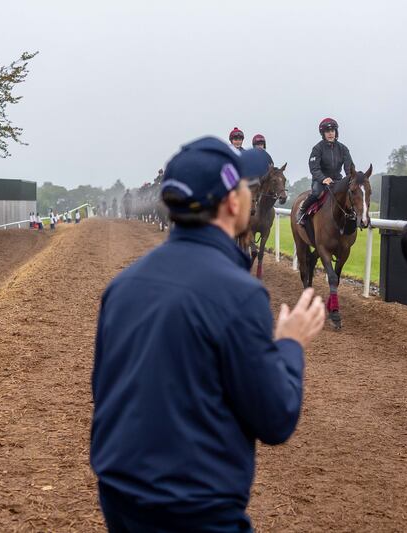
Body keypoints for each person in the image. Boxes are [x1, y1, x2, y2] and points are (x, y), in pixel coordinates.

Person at [90, 136, 326, 532]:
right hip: (197, 513)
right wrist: (289, 343)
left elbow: (107, 394)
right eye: (246, 188)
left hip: (120, 502)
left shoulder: (122, 287)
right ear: (233, 203)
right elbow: (275, 419)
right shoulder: (241, 293)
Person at [297, 117, 354, 224]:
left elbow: (349, 167)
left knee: (350, 195)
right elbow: (314, 168)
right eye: (327, 131)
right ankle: (302, 211)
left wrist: (351, 178)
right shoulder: (317, 149)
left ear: (336, 132)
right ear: (323, 133)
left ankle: (356, 217)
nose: (330, 133)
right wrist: (323, 179)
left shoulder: (343, 149)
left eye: (332, 131)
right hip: (320, 181)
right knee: (317, 193)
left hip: (337, 180)